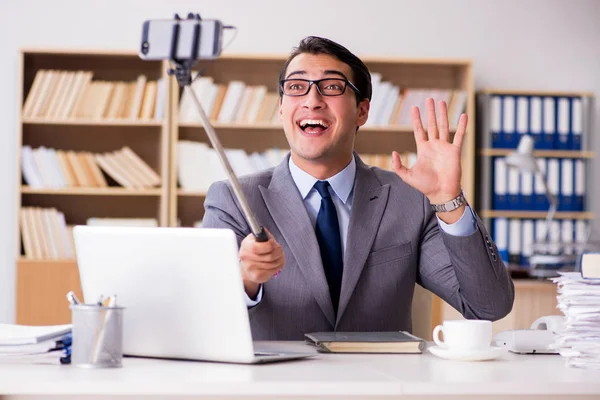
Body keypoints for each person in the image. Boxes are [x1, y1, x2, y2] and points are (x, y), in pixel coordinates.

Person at [203, 36, 514, 340]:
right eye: (297, 87)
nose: (312, 100)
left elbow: (488, 306)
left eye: (332, 87)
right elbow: (205, 319)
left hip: (382, 386)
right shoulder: (233, 199)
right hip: (279, 388)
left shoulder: (410, 199)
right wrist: (245, 279)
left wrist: (449, 201)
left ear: (362, 111)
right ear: (282, 108)